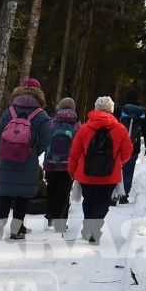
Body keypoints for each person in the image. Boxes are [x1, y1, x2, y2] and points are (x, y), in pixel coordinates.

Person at [0, 81, 52, 240]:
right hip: (27, 162)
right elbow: (45, 140)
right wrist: (33, 152)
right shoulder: (41, 115)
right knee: (22, 199)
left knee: (4, 195)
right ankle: (16, 231)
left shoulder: (8, 112)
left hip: (6, 160)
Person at [68, 95, 135, 243]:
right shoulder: (119, 128)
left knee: (89, 200)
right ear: (111, 110)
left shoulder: (85, 128)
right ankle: (93, 229)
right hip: (109, 175)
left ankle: (88, 228)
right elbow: (128, 151)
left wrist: (72, 170)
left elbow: (74, 152)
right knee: (103, 202)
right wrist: (118, 162)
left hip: (86, 174)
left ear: (96, 108)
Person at [41, 97, 80, 233]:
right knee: (64, 192)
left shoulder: (51, 123)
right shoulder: (77, 125)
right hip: (68, 165)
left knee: (51, 189)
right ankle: (61, 222)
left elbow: (45, 141)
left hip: (51, 163)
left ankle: (51, 215)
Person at [115, 89, 146, 205]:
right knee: (128, 171)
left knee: (116, 170)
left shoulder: (119, 109)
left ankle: (113, 196)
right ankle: (123, 196)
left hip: (118, 146)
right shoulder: (142, 112)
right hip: (133, 147)